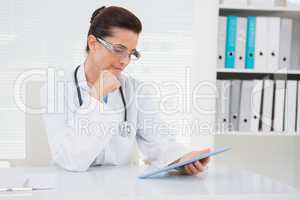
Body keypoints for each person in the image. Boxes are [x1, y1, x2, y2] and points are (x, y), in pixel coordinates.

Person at [41, 6, 211, 175]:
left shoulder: (135, 90)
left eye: (131, 53)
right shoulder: (55, 90)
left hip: (120, 188)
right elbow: (71, 160)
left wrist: (183, 159)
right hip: (70, 188)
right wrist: (96, 96)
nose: (125, 61)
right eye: (119, 49)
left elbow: (159, 142)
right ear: (93, 43)